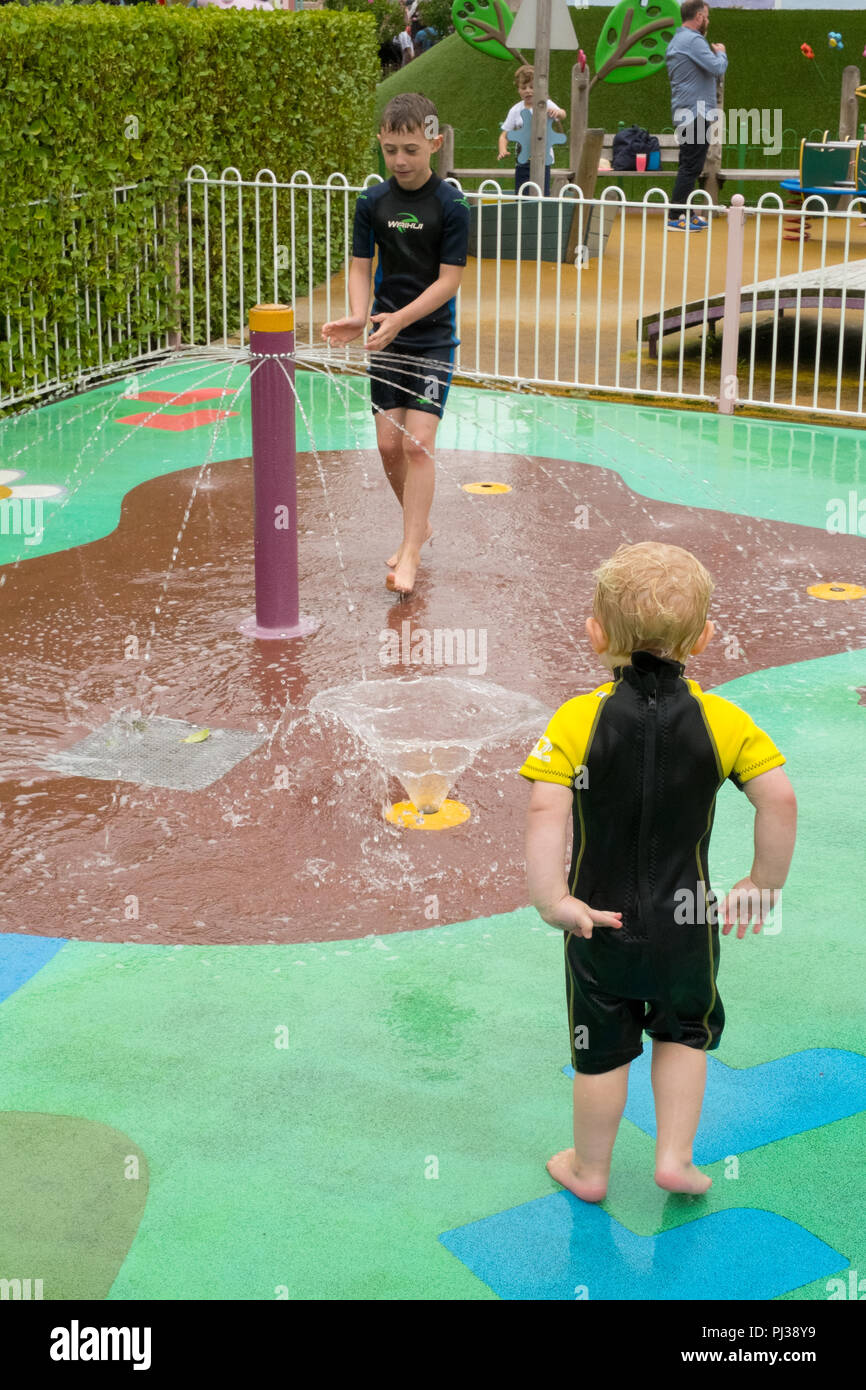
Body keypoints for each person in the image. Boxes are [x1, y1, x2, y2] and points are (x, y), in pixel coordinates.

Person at [521, 542, 797, 1201]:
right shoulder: (724, 721)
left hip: (598, 921)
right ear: (702, 638)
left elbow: (543, 809)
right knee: (684, 1034)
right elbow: (779, 797)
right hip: (687, 922)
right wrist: (763, 883)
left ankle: (590, 1170)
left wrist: (553, 899)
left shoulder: (576, 720)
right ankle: (674, 1158)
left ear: (596, 634)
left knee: (603, 1049)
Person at [321, 94, 470, 597]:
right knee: (388, 446)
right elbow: (361, 266)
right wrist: (359, 316)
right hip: (385, 333)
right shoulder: (372, 203)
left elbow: (449, 280)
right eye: (389, 150)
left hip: (430, 339)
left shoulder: (452, 205)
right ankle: (418, 525)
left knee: (416, 444)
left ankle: (410, 551)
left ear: (434, 141)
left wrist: (401, 320)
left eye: (410, 148)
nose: (400, 161)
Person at [664, 1, 727, 230]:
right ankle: (674, 217)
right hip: (695, 113)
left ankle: (687, 213)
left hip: (686, 112)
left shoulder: (679, 40)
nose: (708, 21)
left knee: (689, 164)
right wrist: (721, 54)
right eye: (707, 17)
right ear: (699, 16)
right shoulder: (693, 40)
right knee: (690, 166)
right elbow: (717, 68)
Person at [497, 64, 566, 196]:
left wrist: (557, 113)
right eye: (523, 88)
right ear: (518, 90)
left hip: (542, 159)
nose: (528, 91)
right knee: (521, 194)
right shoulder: (516, 110)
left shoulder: (544, 103)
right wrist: (503, 150)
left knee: (541, 195)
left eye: (532, 87)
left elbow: (563, 113)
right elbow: (504, 135)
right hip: (522, 161)